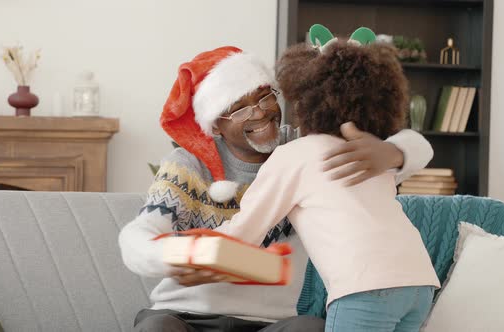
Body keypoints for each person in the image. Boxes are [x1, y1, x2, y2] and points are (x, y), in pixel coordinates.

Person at [118, 45, 434, 332]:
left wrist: (393, 152)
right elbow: (139, 237)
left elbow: (418, 145)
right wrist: (183, 255)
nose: (259, 112)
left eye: (264, 96)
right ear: (215, 124)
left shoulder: (303, 146)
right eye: (238, 108)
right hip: (183, 315)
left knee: (309, 328)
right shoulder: (188, 164)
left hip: (268, 324)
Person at [212, 29, 440, 332]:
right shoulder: (371, 151)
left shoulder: (295, 155)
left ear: (305, 99)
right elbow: (420, 147)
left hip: (365, 286)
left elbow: (245, 232)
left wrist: (192, 248)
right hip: (419, 281)